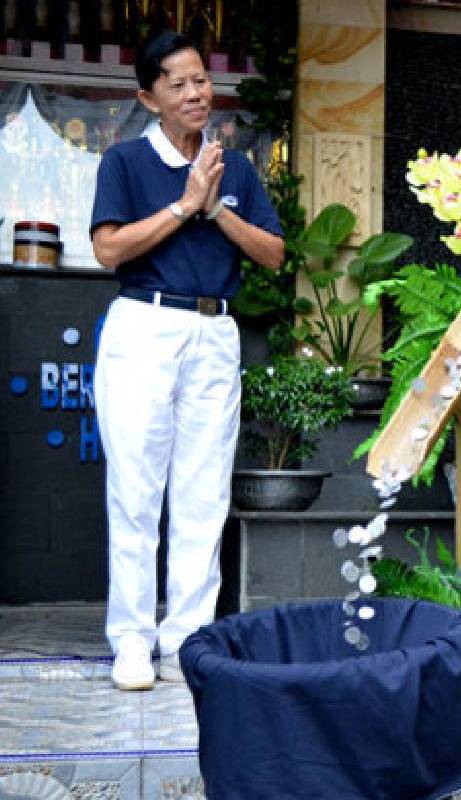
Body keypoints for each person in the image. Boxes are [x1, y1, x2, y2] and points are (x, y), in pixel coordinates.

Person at [90, 32, 284, 691]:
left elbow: (273, 254)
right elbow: (110, 251)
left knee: (205, 495)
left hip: (214, 330)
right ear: (149, 97)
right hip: (145, 323)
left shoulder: (238, 169)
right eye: (178, 83)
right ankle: (133, 642)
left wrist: (216, 211)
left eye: (201, 79)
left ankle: (190, 640)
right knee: (137, 491)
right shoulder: (124, 162)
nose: (197, 92)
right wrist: (181, 207)